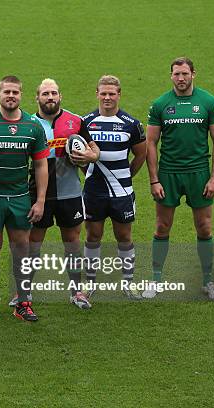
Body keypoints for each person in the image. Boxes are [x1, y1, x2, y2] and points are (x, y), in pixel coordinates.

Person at [144, 57, 214, 300]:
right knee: (162, 226)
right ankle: (156, 280)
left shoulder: (209, 102)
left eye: (185, 74)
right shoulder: (160, 104)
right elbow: (150, 143)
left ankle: (208, 282)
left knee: (204, 227)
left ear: (193, 74)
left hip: (199, 173)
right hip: (168, 174)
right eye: (176, 74)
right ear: (171, 76)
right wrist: (154, 179)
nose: (181, 78)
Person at [0, 76, 50, 323]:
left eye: (15, 92)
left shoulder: (33, 126)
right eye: (7, 91)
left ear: (21, 95)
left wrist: (40, 200)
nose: (11, 96)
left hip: (19, 198)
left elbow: (40, 164)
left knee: (21, 249)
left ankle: (23, 302)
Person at [27, 79, 99, 311]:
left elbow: (94, 149)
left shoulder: (76, 121)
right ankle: (24, 291)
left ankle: (76, 291)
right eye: (45, 93)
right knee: (33, 242)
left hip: (69, 192)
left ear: (60, 96)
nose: (50, 97)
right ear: (37, 97)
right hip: (38, 193)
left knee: (72, 241)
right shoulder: (28, 124)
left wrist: (90, 156)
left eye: (54, 93)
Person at [82, 75, 146, 300]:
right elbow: (80, 156)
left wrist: (125, 176)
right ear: (97, 93)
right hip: (93, 191)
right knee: (93, 235)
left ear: (119, 94)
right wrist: (90, 173)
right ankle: (89, 284)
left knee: (124, 235)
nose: (107, 97)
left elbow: (141, 154)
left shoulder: (132, 124)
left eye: (112, 93)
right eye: (103, 93)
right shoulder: (85, 122)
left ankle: (128, 282)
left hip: (122, 193)